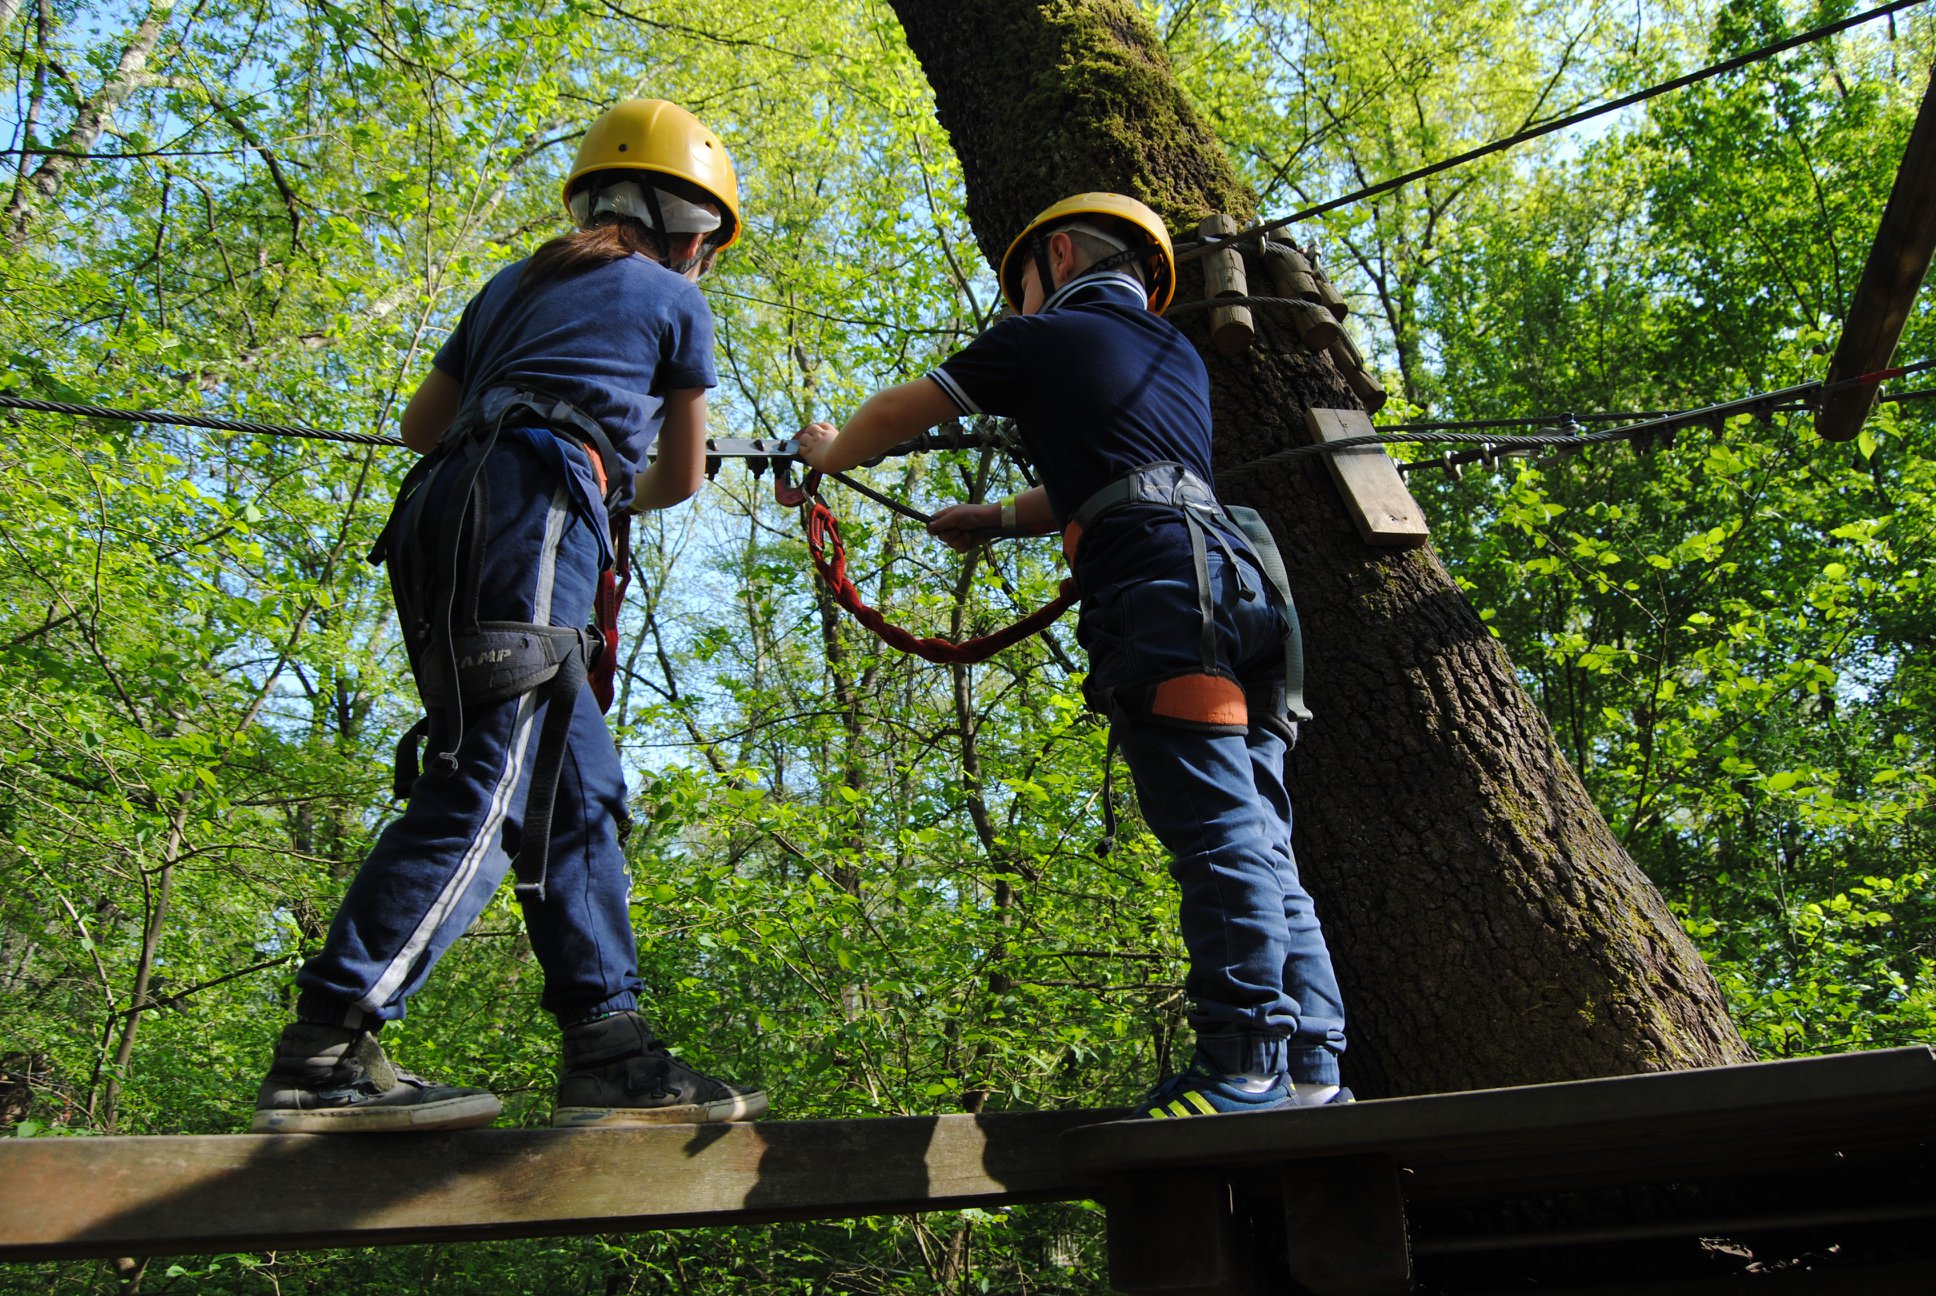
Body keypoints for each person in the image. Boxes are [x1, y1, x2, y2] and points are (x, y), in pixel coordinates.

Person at [252, 99, 766, 1133]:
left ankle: (608, 1046)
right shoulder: (675, 300)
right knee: (487, 783)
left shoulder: (512, 284)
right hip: (531, 509)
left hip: (444, 510)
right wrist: (615, 451)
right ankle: (327, 1046)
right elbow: (676, 481)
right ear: (691, 229)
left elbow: (419, 425)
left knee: (573, 790)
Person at [794, 193, 1348, 1118]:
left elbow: (898, 411)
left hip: (1164, 596)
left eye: (1017, 287)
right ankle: (1312, 1073)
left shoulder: (1038, 341)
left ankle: (1244, 1064)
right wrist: (997, 518)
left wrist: (828, 455)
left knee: (1215, 831)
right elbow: (1116, 472)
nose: (1014, 307)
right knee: (1263, 840)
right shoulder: (1177, 357)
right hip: (1246, 591)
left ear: (1054, 255)